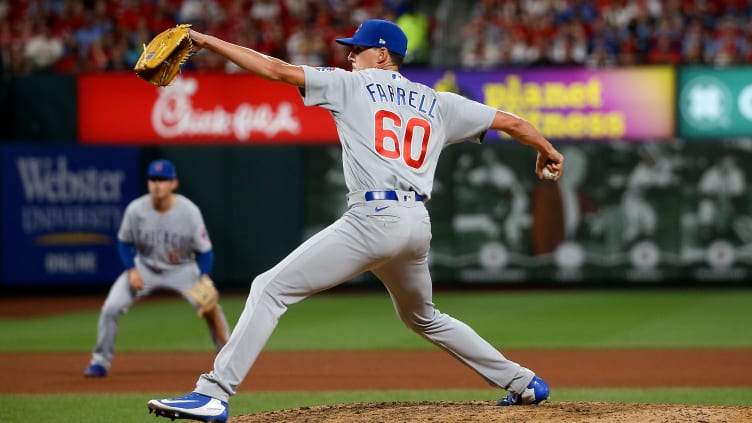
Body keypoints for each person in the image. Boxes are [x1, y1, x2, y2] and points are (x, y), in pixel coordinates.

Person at [147, 19, 563, 422]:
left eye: (356, 50)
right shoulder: (438, 101)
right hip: (417, 224)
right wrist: (546, 150)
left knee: (268, 288)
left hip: (374, 218)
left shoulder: (351, 84)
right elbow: (513, 122)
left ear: (382, 54)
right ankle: (523, 381)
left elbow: (274, 69)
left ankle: (212, 395)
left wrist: (206, 41)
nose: (349, 57)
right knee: (423, 317)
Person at [83, 159, 230, 377]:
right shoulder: (136, 209)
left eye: (163, 179)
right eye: (153, 179)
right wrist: (131, 269)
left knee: (211, 307)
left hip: (182, 269)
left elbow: (205, 250)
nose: (157, 184)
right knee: (110, 308)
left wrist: (204, 277)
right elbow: (124, 242)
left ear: (174, 184)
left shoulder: (189, 212)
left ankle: (229, 362)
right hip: (145, 267)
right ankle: (100, 361)